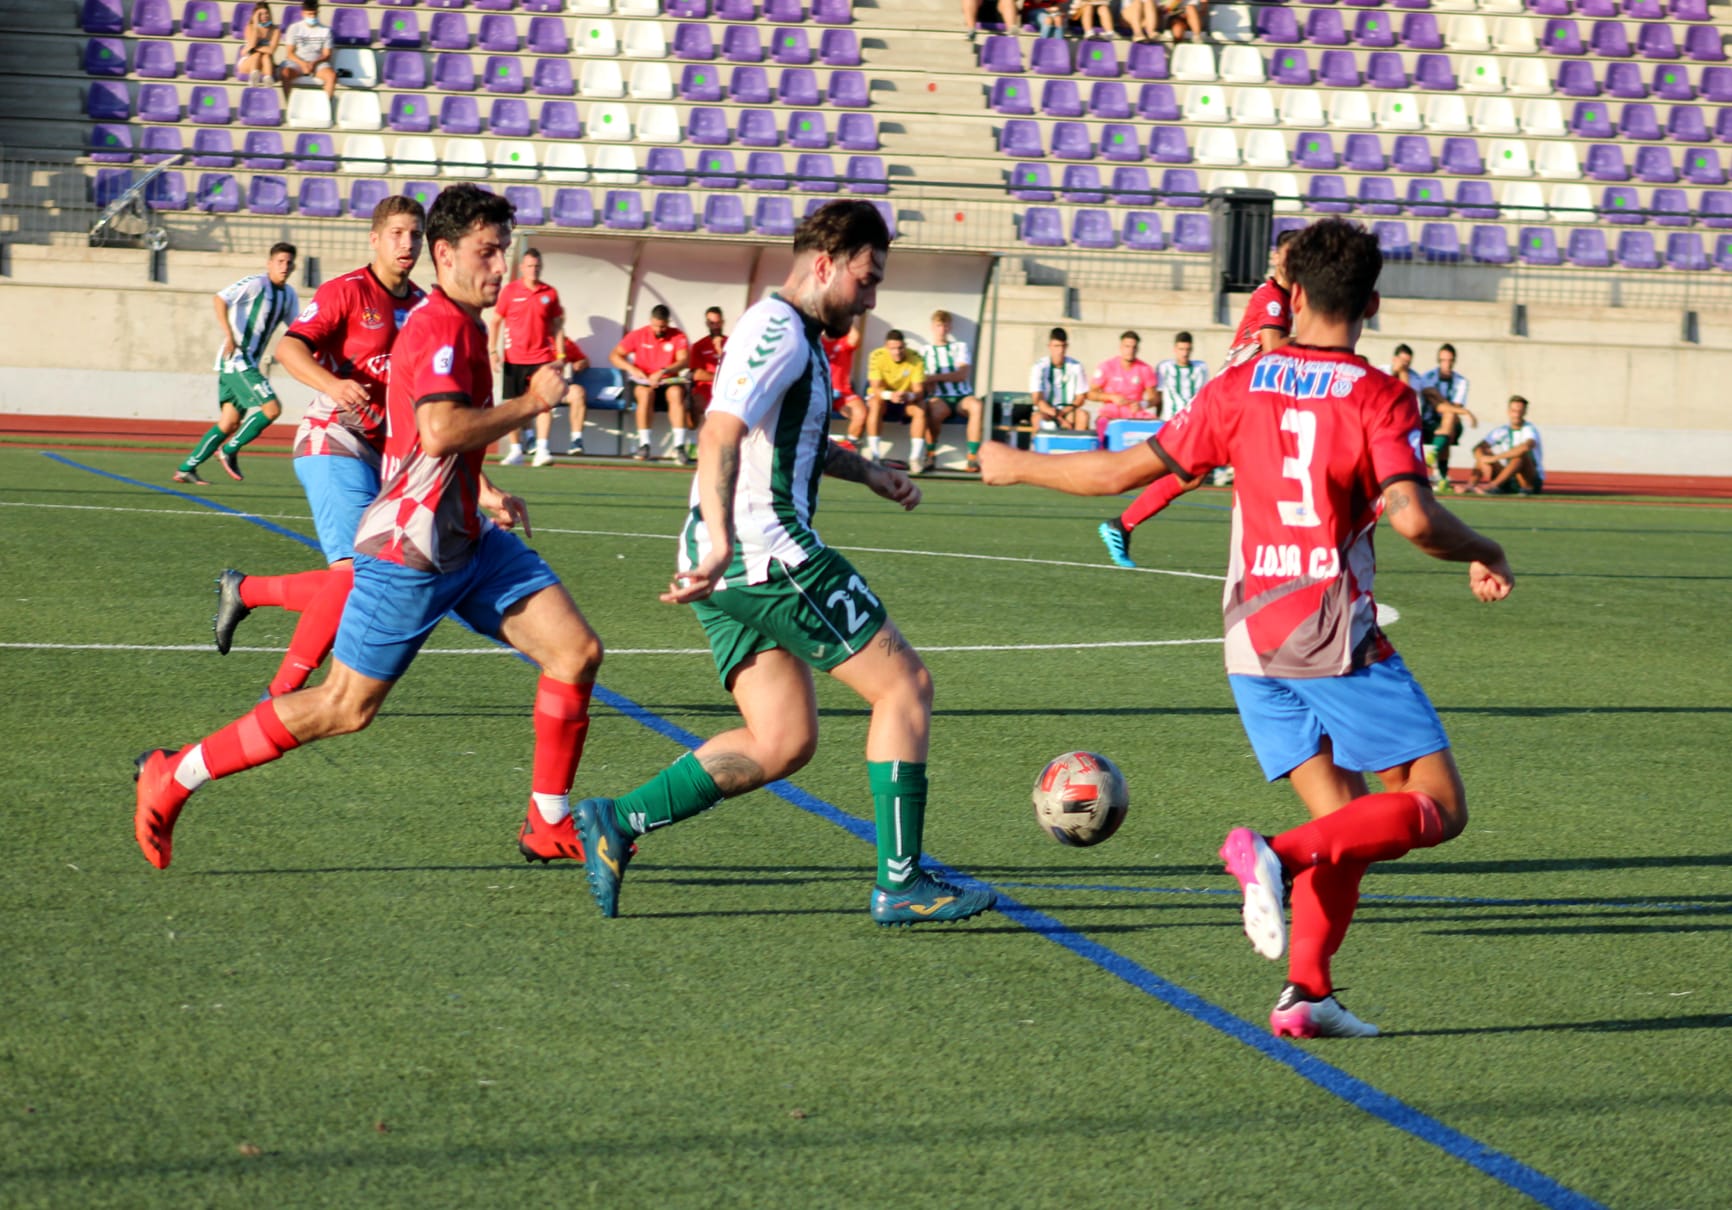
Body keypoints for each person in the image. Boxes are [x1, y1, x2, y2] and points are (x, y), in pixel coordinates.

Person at [979, 217, 1515, 1038]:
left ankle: (1308, 993)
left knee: (1342, 820)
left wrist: (1016, 464)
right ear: (1372, 300)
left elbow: (1124, 472)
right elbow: (1411, 516)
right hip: (1330, 636)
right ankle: (1273, 854)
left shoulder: (1242, 384)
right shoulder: (1379, 394)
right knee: (1437, 807)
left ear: (1292, 293)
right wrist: (1484, 546)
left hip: (1247, 639)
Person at [134, 184, 606, 874]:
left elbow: (430, 435)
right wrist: (529, 403)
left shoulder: (455, 322)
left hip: (468, 537)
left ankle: (547, 821)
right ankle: (173, 776)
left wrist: (485, 488)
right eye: (488, 251)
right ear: (445, 254)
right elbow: (441, 430)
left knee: (575, 652)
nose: (501, 266)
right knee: (343, 706)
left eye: (505, 251)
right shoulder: (441, 324)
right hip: (411, 549)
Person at [569, 199, 995, 928]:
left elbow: (782, 441)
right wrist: (723, 542)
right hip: (767, 553)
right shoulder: (778, 331)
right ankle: (902, 883)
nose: (871, 296)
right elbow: (719, 434)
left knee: (783, 739)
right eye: (866, 278)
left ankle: (618, 821)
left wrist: (868, 473)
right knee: (906, 687)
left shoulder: (791, 333)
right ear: (825, 263)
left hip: (738, 561)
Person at [212, 197, 426, 700]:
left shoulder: (421, 305)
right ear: (374, 238)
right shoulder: (345, 292)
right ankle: (279, 696)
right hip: (331, 436)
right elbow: (289, 348)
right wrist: (333, 385)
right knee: (356, 576)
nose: (407, 244)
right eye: (396, 233)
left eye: (414, 234)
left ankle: (245, 591)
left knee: (382, 580)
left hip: (381, 454)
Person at [1096, 233, 1298, 569]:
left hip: (1240, 401)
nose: (1294, 262)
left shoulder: (1287, 299)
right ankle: (1268, 554)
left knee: (1190, 476)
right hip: (1230, 401)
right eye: (1289, 254)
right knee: (1150, 467)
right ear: (1276, 257)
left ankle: (1121, 524)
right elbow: (1275, 347)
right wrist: (1316, 342)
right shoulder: (1272, 298)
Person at [174, 243, 299, 486]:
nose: (284, 267)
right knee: (272, 409)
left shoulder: (288, 295)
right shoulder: (256, 284)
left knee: (229, 422)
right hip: (237, 359)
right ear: (269, 263)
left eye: (289, 263)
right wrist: (229, 334)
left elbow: (297, 328)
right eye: (280, 261)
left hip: (246, 363)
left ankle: (185, 469)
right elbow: (220, 298)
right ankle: (229, 449)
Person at [490, 248, 564, 468]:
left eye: (537, 266)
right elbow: (495, 321)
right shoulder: (510, 291)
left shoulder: (549, 293)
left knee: (544, 404)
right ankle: (516, 451)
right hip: (514, 357)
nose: (534, 270)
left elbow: (557, 326)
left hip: (542, 357)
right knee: (513, 405)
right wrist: (493, 351)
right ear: (522, 268)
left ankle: (542, 450)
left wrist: (560, 355)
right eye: (530, 266)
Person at [610, 304, 693, 465]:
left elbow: (684, 360)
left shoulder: (677, 336)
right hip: (644, 381)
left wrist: (663, 371)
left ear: (668, 323)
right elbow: (614, 355)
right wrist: (631, 368)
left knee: (676, 393)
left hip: (667, 380)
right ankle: (644, 444)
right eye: (655, 325)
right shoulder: (638, 335)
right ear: (651, 321)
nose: (659, 329)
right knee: (645, 394)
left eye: (662, 326)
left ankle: (679, 446)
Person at [921, 310, 987, 473]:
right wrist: (932, 380)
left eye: (945, 325)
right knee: (933, 411)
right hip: (939, 397)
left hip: (962, 396)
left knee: (977, 407)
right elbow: (922, 379)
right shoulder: (925, 351)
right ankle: (930, 453)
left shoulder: (960, 347)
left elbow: (961, 375)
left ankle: (972, 457)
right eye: (938, 325)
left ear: (950, 327)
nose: (942, 329)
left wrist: (933, 377)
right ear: (932, 327)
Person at [1415, 343, 1476, 491]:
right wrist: (1466, 413)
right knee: (1446, 428)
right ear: (1439, 360)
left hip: (1452, 423)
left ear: (1454, 361)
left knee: (1448, 418)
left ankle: (1433, 455)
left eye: (1450, 361)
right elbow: (1437, 405)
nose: (1447, 364)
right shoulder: (1427, 377)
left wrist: (1441, 400)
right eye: (1443, 360)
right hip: (1429, 423)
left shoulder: (1461, 382)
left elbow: (1453, 408)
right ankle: (1442, 477)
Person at [864, 328, 928, 467]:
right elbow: (875, 387)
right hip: (883, 399)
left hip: (906, 400)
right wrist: (889, 395)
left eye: (900, 348)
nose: (897, 352)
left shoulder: (916, 358)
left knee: (921, 408)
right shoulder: (876, 356)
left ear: (905, 346)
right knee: (875, 404)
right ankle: (875, 455)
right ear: (886, 347)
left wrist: (908, 395)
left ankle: (915, 458)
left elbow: (919, 391)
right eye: (893, 348)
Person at [1087, 330, 1161, 444]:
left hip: (1134, 412)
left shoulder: (1145, 369)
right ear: (1121, 347)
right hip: (1111, 412)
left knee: (1156, 426)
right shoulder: (1107, 366)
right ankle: (1102, 452)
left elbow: (1155, 398)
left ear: (1137, 349)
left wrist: (1143, 404)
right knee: (1102, 423)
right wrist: (1111, 397)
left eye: (1133, 347)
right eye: (1127, 346)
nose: (1130, 350)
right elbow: (1090, 394)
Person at [1466, 395, 1544, 495]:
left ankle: (1493, 486)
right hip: (1508, 477)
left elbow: (1526, 447)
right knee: (1484, 453)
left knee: (1519, 456)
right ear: (1508, 412)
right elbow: (1478, 448)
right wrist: (1483, 460)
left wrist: (1494, 458)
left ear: (1525, 412)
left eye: (1520, 411)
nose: (1516, 415)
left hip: (1529, 479)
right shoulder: (1502, 430)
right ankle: (1470, 485)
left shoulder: (1529, 429)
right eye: (1513, 411)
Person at [1029, 327, 1090, 432]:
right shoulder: (1039, 367)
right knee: (1037, 418)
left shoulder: (1076, 366)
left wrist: (1063, 412)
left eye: (1063, 346)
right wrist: (1059, 418)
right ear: (1049, 346)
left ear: (1066, 346)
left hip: (1068, 409)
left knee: (1083, 415)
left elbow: (1080, 398)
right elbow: (1037, 399)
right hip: (1047, 410)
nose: (1060, 350)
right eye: (1056, 346)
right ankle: (1040, 447)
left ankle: (1078, 447)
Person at [279, 0, 336, 112]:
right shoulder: (294, 28)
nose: (312, 16)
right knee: (285, 73)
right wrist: (303, 63)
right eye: (309, 14)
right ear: (303, 13)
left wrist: (314, 63)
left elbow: (327, 54)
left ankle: (324, 109)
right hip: (297, 61)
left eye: (314, 14)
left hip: (318, 62)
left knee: (331, 76)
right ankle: (290, 106)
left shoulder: (325, 30)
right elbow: (289, 53)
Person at [822, 313, 868, 451]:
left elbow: (855, 339)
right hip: (819, 391)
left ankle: (848, 449)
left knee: (860, 413)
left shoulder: (844, 340)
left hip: (842, 393)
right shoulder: (816, 341)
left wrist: (845, 315)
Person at [689, 305, 728, 419]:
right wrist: (720, 377)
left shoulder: (732, 343)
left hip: (726, 388)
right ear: (707, 324)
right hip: (705, 388)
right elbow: (697, 374)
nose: (715, 326)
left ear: (722, 322)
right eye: (712, 323)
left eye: (718, 323)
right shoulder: (699, 346)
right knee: (694, 403)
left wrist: (720, 351)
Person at [555, 335, 591, 457]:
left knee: (578, 392)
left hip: (560, 386)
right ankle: (532, 441)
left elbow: (585, 360)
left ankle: (576, 441)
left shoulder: (566, 342)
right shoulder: (536, 339)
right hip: (537, 387)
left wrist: (581, 363)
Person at [238, 0, 281, 86]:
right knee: (257, 55)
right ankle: (253, 80)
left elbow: (271, 51)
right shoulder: (250, 27)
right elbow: (253, 43)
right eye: (260, 14)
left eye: (266, 13)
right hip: (249, 62)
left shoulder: (276, 30)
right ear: (255, 16)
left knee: (266, 56)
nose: (264, 16)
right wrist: (256, 25)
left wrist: (253, 48)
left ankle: (268, 83)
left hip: (266, 64)